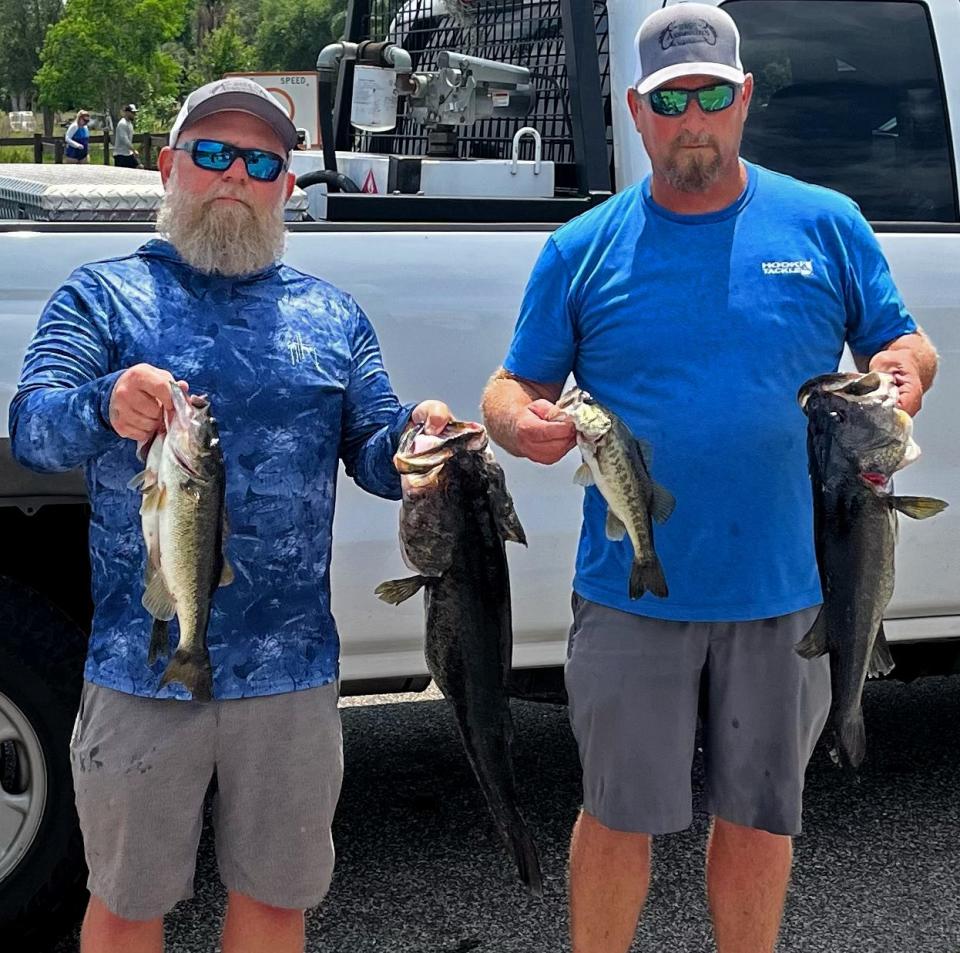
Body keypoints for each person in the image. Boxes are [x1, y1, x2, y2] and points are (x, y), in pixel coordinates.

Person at [480, 5, 937, 953]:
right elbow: (513, 381)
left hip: (790, 584)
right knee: (616, 813)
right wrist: (516, 420)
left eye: (713, 96)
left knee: (761, 816)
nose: (694, 117)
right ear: (639, 113)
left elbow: (902, 341)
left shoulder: (826, 222)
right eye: (672, 99)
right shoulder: (582, 246)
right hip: (633, 586)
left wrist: (904, 375)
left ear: (744, 101)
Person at [9, 76, 452, 953]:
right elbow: (31, 425)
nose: (234, 176)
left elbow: (374, 446)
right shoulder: (101, 297)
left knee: (276, 901)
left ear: (286, 186)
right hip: (141, 668)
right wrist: (105, 402)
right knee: (127, 902)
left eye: (260, 161)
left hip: (292, 675)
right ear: (170, 167)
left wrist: (421, 438)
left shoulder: (331, 315)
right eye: (212, 154)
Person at [113, 103, 140, 168]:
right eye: (133, 113)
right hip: (121, 155)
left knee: (139, 167)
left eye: (135, 113)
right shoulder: (122, 124)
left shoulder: (129, 123)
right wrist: (133, 150)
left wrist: (132, 151)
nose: (134, 115)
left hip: (128, 154)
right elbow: (125, 139)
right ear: (127, 112)